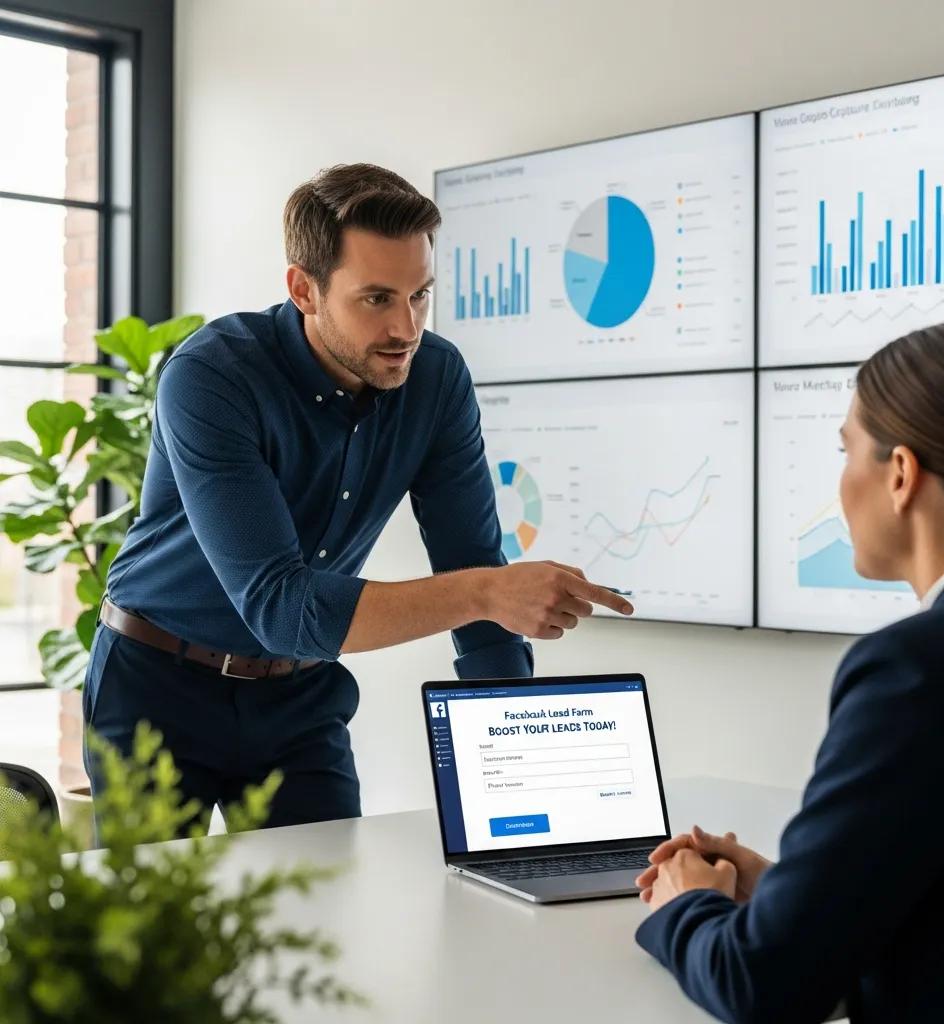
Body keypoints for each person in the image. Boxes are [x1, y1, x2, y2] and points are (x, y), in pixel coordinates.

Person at [84, 163, 632, 831]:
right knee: (156, 903)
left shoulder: (436, 379)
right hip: (157, 684)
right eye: (377, 298)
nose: (407, 327)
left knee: (334, 893)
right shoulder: (212, 375)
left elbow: (470, 560)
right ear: (303, 289)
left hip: (301, 696)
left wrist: (520, 765)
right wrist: (488, 592)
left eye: (420, 295)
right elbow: (281, 606)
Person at [634, 321, 944, 1023]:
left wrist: (685, 903)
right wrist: (791, 895)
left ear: (900, 474)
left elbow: (763, 987)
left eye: (846, 452)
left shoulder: (917, 672)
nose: (841, 483)